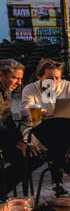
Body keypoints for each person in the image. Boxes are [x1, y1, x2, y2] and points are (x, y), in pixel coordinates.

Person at [0, 58, 37, 194]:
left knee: (34, 155)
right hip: (3, 142)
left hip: (4, 140)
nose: (19, 83)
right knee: (29, 158)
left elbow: (8, 119)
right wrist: (16, 143)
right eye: (14, 78)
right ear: (0, 75)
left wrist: (22, 141)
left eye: (20, 79)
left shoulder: (5, 93)